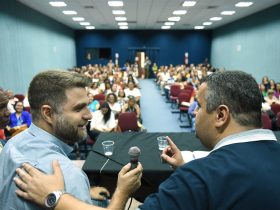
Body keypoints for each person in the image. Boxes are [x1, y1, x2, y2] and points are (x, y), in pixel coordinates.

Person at [14, 70, 280, 209]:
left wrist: (56, 198)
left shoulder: (198, 179)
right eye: (78, 108)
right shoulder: (199, 176)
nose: (195, 113)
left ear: (221, 115)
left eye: (198, 106)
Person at [0, 70, 142, 210]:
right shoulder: (69, 176)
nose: (89, 115)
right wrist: (122, 192)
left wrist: (83, 191)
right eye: (79, 108)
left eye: (87, 105)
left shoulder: (10, 146)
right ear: (48, 113)